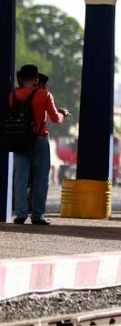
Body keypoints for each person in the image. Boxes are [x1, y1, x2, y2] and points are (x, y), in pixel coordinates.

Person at [9, 64, 70, 226]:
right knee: (41, 180)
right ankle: (37, 215)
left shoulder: (13, 96)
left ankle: (21, 214)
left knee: (20, 179)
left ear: (21, 78)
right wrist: (63, 114)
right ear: (37, 78)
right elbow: (55, 119)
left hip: (18, 141)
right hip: (39, 140)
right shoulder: (44, 95)